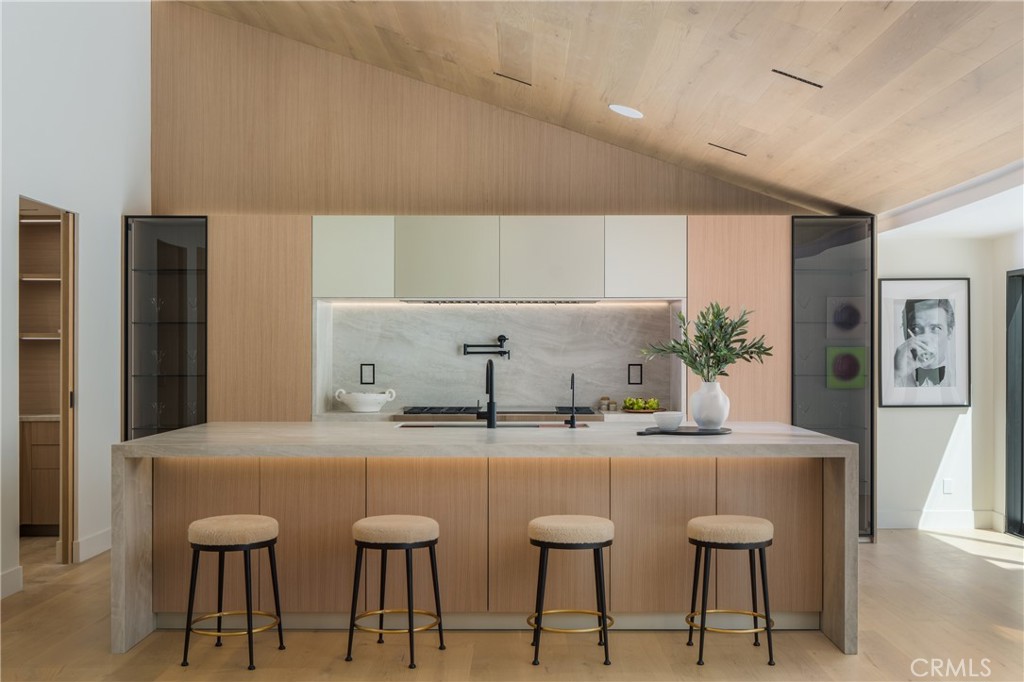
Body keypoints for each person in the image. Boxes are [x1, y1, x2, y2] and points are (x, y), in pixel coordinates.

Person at [893, 298, 955, 387]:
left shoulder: (962, 379)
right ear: (906, 333)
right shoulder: (894, 378)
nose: (926, 339)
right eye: (916, 329)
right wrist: (897, 374)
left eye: (936, 328)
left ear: (949, 332)